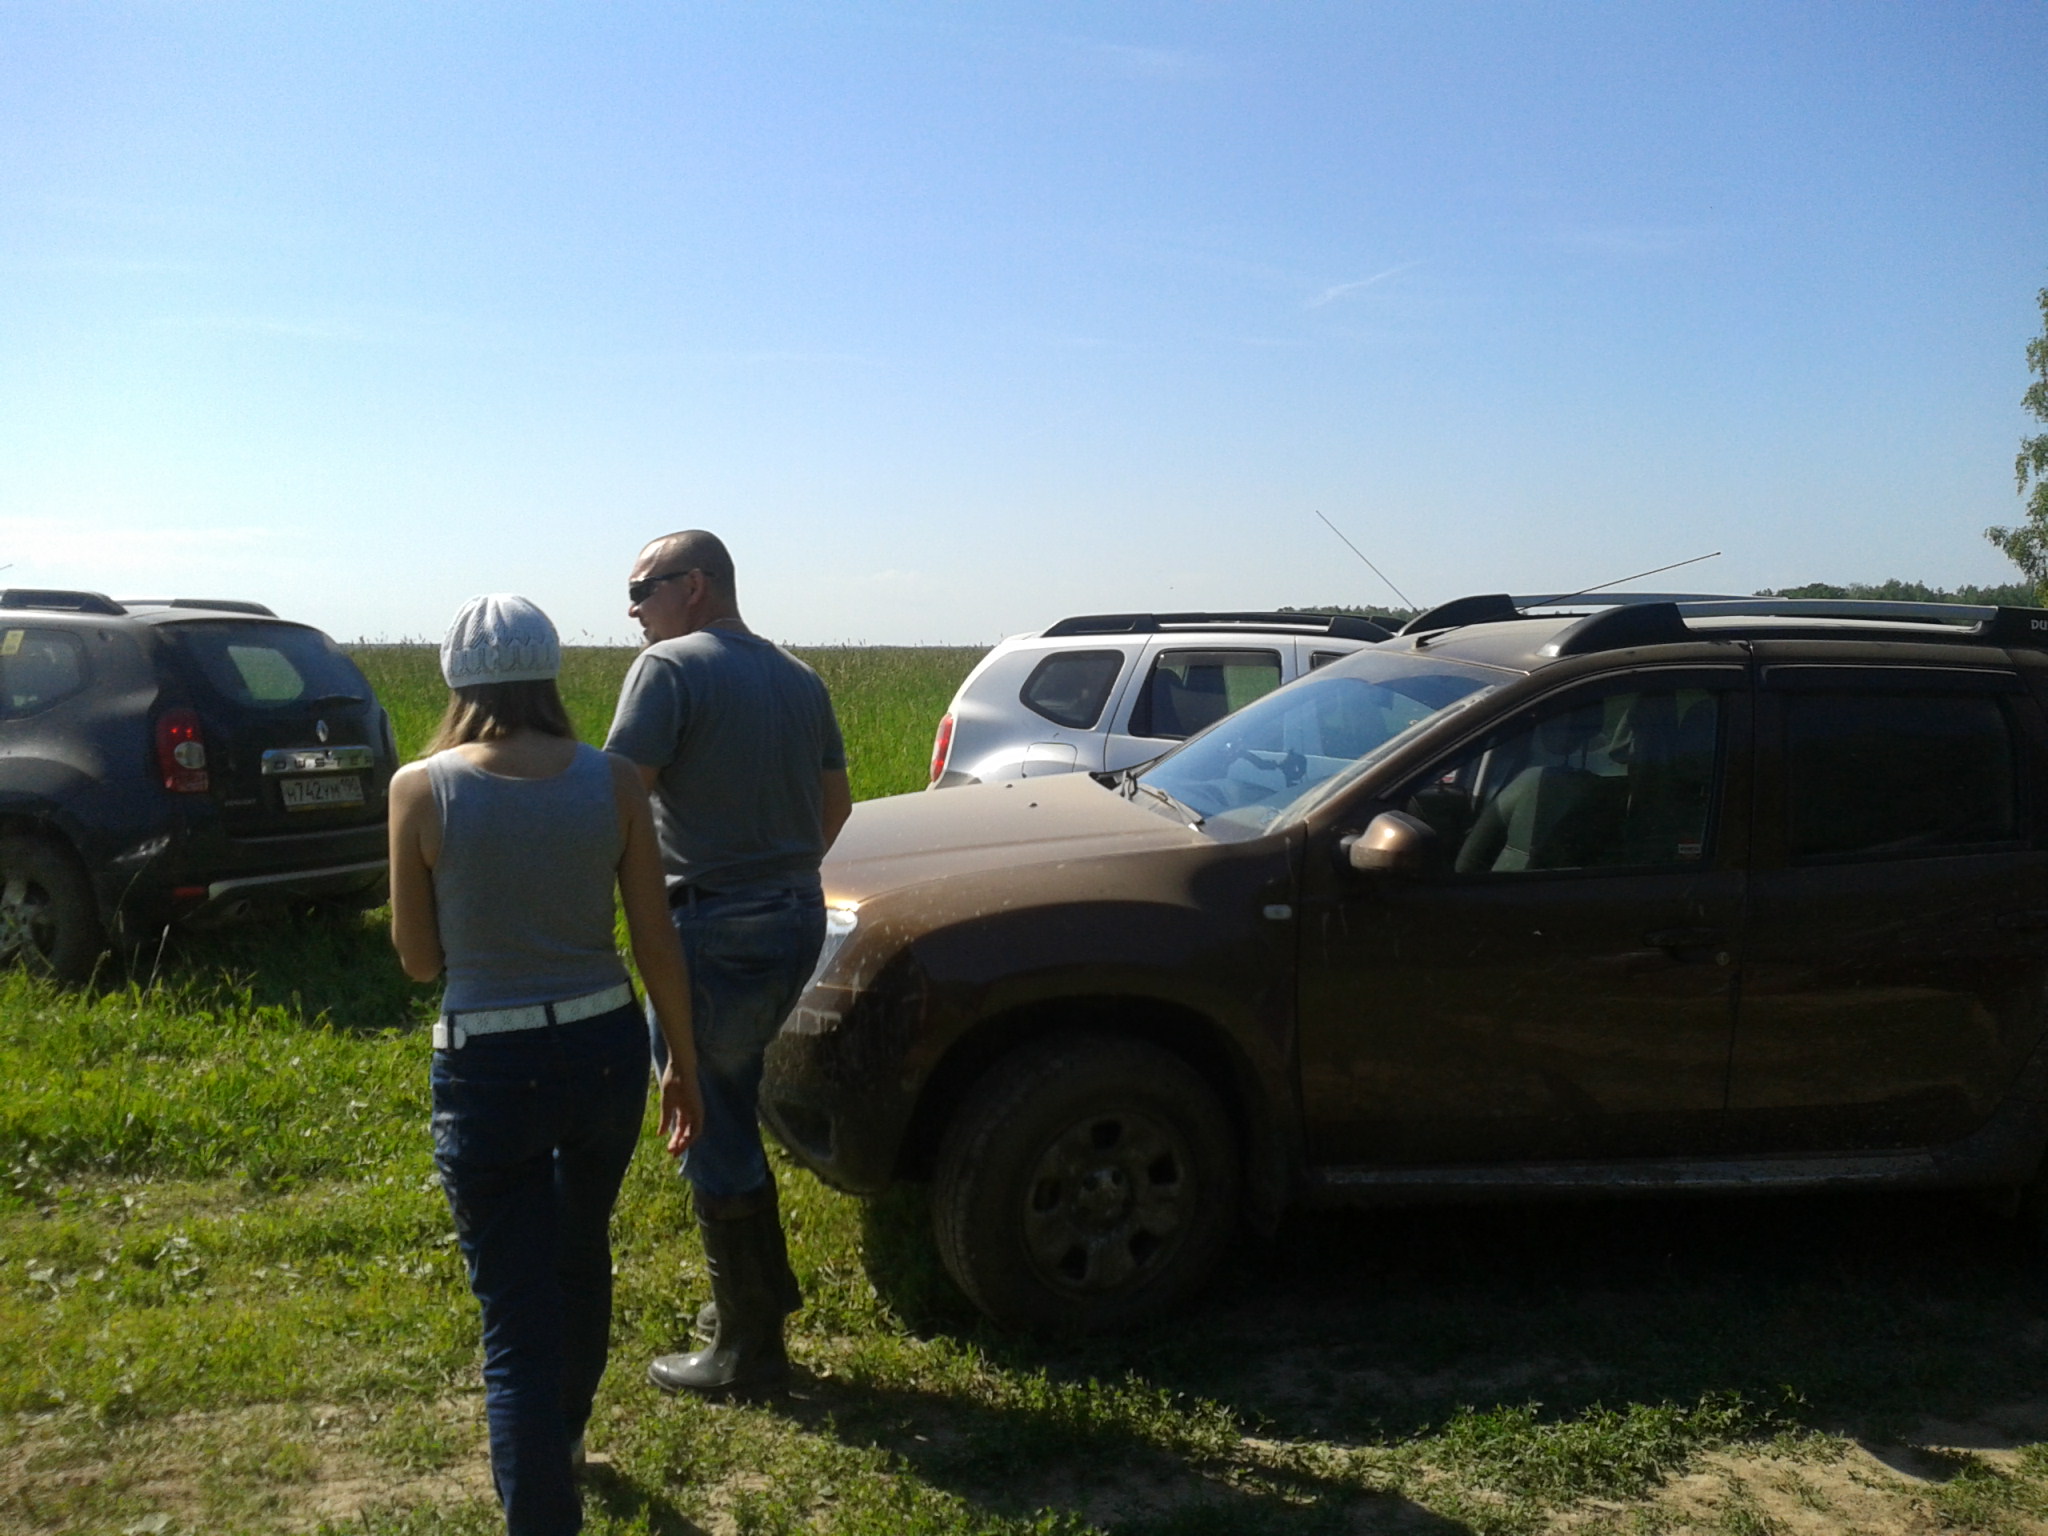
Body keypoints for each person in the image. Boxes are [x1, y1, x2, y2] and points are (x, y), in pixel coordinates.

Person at [387, 594, 702, 1536]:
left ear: (456, 683)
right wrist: (682, 1062)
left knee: (514, 1321)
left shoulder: (421, 789)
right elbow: (655, 938)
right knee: (580, 1246)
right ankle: (564, 1435)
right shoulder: (614, 781)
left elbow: (419, 961)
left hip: (489, 1062)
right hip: (604, 1047)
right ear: (551, 674)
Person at [603, 530, 851, 1395]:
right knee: (733, 1097)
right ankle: (758, 1297)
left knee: (706, 1117)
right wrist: (776, 872)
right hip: (798, 915)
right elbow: (836, 806)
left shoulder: (667, 670)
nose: (633, 610)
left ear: (696, 585)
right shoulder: (800, 677)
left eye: (644, 589)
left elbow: (617, 796)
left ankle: (747, 1349)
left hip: (713, 924)